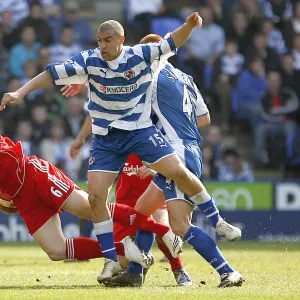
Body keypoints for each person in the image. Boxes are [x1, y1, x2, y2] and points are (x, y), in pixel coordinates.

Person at [0, 14, 221, 283]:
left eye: (108, 40)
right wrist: (80, 135)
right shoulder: (97, 65)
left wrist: (188, 26)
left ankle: (181, 265)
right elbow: (83, 100)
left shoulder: (156, 74)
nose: (103, 45)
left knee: (155, 205)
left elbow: (175, 49)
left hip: (145, 143)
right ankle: (128, 263)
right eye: (100, 40)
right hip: (113, 145)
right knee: (105, 205)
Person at [62, 34, 244, 288]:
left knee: (168, 222)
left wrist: (84, 81)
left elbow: (112, 91)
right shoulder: (185, 78)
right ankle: (139, 273)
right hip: (192, 149)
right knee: (148, 212)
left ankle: (222, 259)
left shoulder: (150, 75)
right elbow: (205, 119)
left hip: (176, 152)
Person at [0, 135, 183, 278]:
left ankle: (163, 231)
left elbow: (10, 155)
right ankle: (123, 248)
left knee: (91, 209)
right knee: (56, 250)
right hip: (21, 195)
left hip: (34, 175)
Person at [70, 117, 191, 286]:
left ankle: (179, 269)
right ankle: (143, 261)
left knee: (163, 226)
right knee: (122, 261)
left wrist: (154, 170)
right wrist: (81, 139)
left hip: (152, 196)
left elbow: (178, 168)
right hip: (126, 205)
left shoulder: (157, 136)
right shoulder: (114, 137)